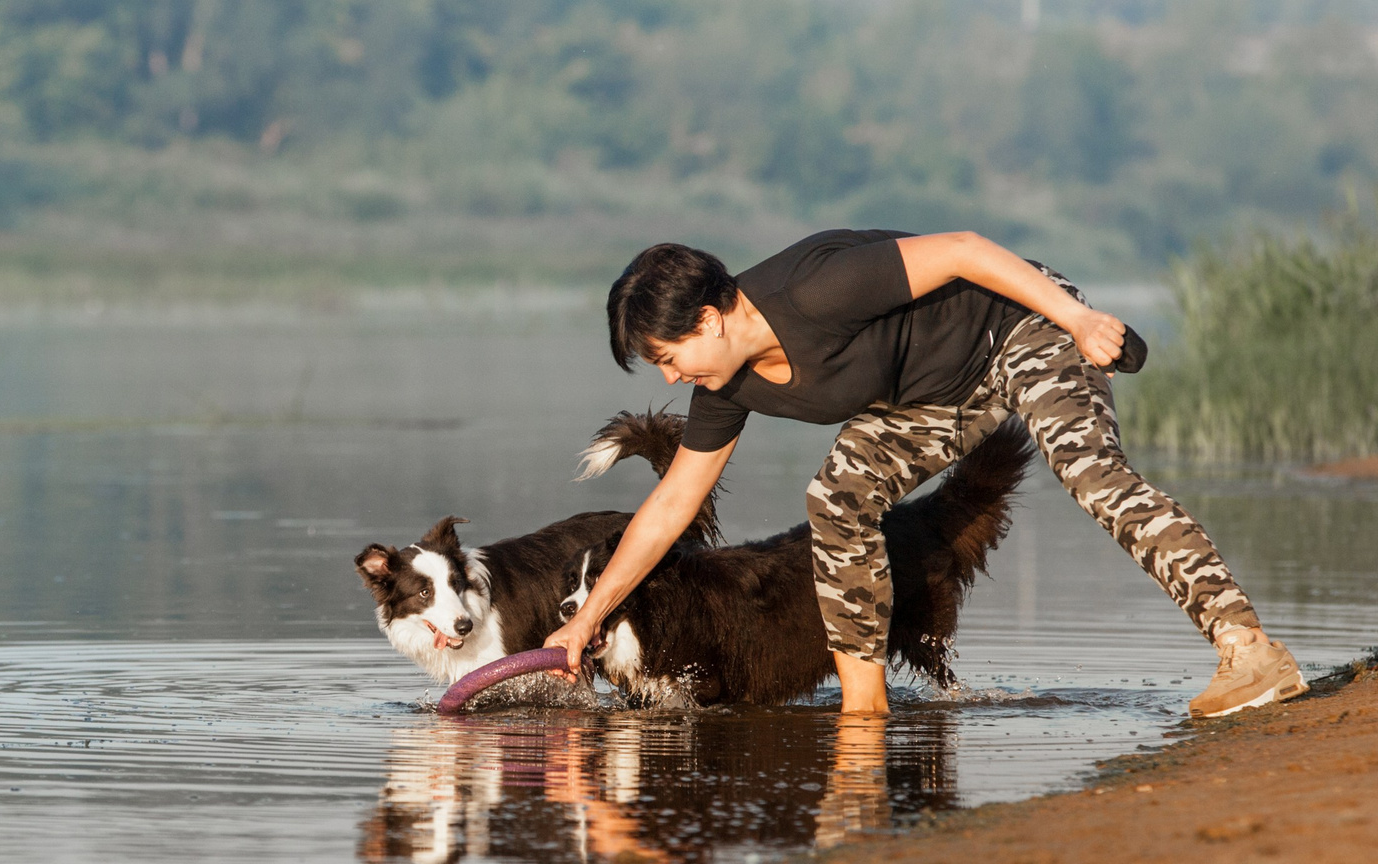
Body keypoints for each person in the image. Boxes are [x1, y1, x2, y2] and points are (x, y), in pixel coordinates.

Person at [543, 230, 1306, 720]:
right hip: (935, 397)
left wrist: (1074, 319)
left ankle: (1248, 649)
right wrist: (586, 619)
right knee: (837, 497)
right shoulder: (727, 383)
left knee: (1090, 473)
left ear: (708, 320)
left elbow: (967, 251)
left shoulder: (814, 289)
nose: (672, 379)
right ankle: (864, 709)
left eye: (668, 358)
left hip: (1020, 328)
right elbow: (672, 503)